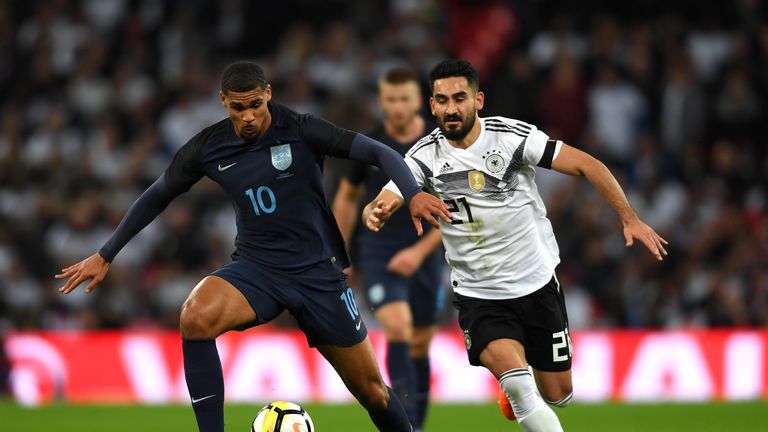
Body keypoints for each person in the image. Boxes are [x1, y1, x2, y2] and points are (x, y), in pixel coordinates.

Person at [55, 61, 451, 432]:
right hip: (257, 268)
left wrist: (412, 193)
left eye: (256, 105)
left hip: (317, 274)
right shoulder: (207, 147)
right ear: (223, 101)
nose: (248, 116)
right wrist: (106, 253)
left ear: (268, 94)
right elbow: (158, 194)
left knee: (372, 391)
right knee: (194, 317)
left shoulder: (301, 128)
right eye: (238, 107)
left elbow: (379, 152)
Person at [362, 59, 668, 432]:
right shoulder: (424, 156)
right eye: (442, 100)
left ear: (479, 100)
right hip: (480, 296)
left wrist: (629, 217)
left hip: (536, 284)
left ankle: (515, 387)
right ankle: (514, 384)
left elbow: (588, 164)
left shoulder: (512, 138)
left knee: (558, 394)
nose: (451, 108)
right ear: (431, 106)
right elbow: (388, 195)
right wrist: (375, 212)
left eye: (460, 97)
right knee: (523, 390)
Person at [333, 67, 444, 431]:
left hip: (425, 252)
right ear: (382, 102)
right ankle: (406, 425)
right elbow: (348, 199)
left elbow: (455, 208)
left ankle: (419, 425)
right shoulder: (370, 146)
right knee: (398, 327)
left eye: (405, 99)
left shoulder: (437, 146)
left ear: (419, 102)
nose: (398, 106)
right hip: (378, 250)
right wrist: (336, 255)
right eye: (391, 99)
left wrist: (418, 253)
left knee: (420, 344)